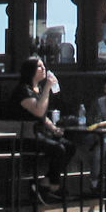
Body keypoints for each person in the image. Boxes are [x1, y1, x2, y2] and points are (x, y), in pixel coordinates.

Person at [15, 55, 75, 203]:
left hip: (41, 132)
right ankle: (54, 186)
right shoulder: (23, 90)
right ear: (31, 71)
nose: (43, 69)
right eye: (39, 67)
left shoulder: (39, 89)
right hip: (26, 135)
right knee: (58, 149)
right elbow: (39, 111)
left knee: (69, 146)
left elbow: (43, 117)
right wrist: (48, 87)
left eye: (43, 66)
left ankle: (46, 181)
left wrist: (53, 128)